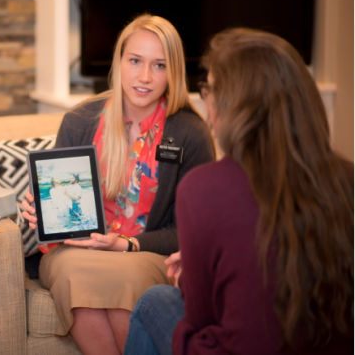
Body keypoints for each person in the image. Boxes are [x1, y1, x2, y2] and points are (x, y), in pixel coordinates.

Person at [124, 28, 354, 355]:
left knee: (155, 301)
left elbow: (202, 316)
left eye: (211, 89)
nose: (207, 100)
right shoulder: (347, 181)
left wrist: (193, 274)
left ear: (235, 106)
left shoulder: (205, 188)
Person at [21, 14, 215, 355]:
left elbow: (193, 232)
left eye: (158, 65)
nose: (144, 77)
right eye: (135, 61)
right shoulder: (81, 120)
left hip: (145, 253)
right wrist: (41, 210)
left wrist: (125, 245)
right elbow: (57, 204)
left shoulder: (190, 133)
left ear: (174, 72)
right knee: (74, 271)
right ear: (119, 62)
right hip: (75, 251)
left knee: (126, 277)